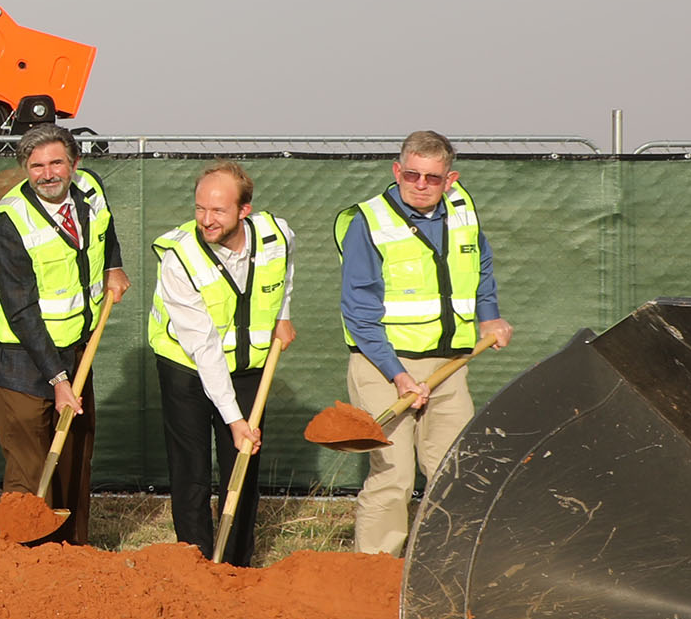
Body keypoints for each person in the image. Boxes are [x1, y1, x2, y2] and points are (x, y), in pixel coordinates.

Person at [335, 129, 512, 556]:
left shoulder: (463, 211)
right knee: (393, 476)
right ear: (397, 170)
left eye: (431, 178)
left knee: (452, 472)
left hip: (449, 365)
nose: (419, 185)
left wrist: (489, 317)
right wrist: (397, 376)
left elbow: (480, 266)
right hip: (384, 365)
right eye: (410, 174)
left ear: (449, 179)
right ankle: (374, 574)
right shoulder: (368, 222)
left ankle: (444, 568)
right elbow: (359, 312)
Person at [0, 124, 129, 548]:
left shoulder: (91, 189)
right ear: (24, 169)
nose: (47, 174)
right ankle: (25, 556)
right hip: (20, 360)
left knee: (75, 454)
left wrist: (113, 265)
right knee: (31, 464)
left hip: (77, 345)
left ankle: (72, 552)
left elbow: (104, 230)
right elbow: (21, 311)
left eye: (56, 163)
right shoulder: (7, 223)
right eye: (36, 166)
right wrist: (59, 381)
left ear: (74, 164)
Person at [151, 161, 295, 564]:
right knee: (192, 468)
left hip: (249, 365)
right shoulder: (179, 256)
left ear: (243, 211)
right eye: (200, 208)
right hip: (187, 366)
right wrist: (234, 420)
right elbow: (205, 347)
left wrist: (282, 314)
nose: (206, 220)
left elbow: (285, 270)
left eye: (218, 211)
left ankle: (236, 565)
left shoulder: (277, 234)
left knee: (243, 464)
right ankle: (195, 561)